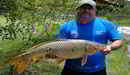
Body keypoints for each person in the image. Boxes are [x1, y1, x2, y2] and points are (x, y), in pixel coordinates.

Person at [58, 0, 124, 75]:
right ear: (77, 10)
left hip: (98, 70)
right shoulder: (66, 26)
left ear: (95, 10)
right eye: (83, 8)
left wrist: (110, 47)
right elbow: (60, 45)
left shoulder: (106, 24)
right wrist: (55, 55)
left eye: (90, 8)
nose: (86, 10)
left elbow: (119, 41)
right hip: (71, 70)